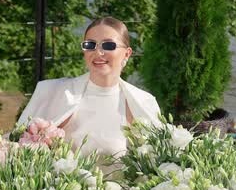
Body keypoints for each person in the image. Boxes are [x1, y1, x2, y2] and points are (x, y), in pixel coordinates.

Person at [17, 16, 161, 157]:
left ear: (127, 54)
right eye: (90, 45)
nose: (98, 52)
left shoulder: (143, 102)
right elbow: (19, 147)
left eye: (108, 45)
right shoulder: (53, 93)